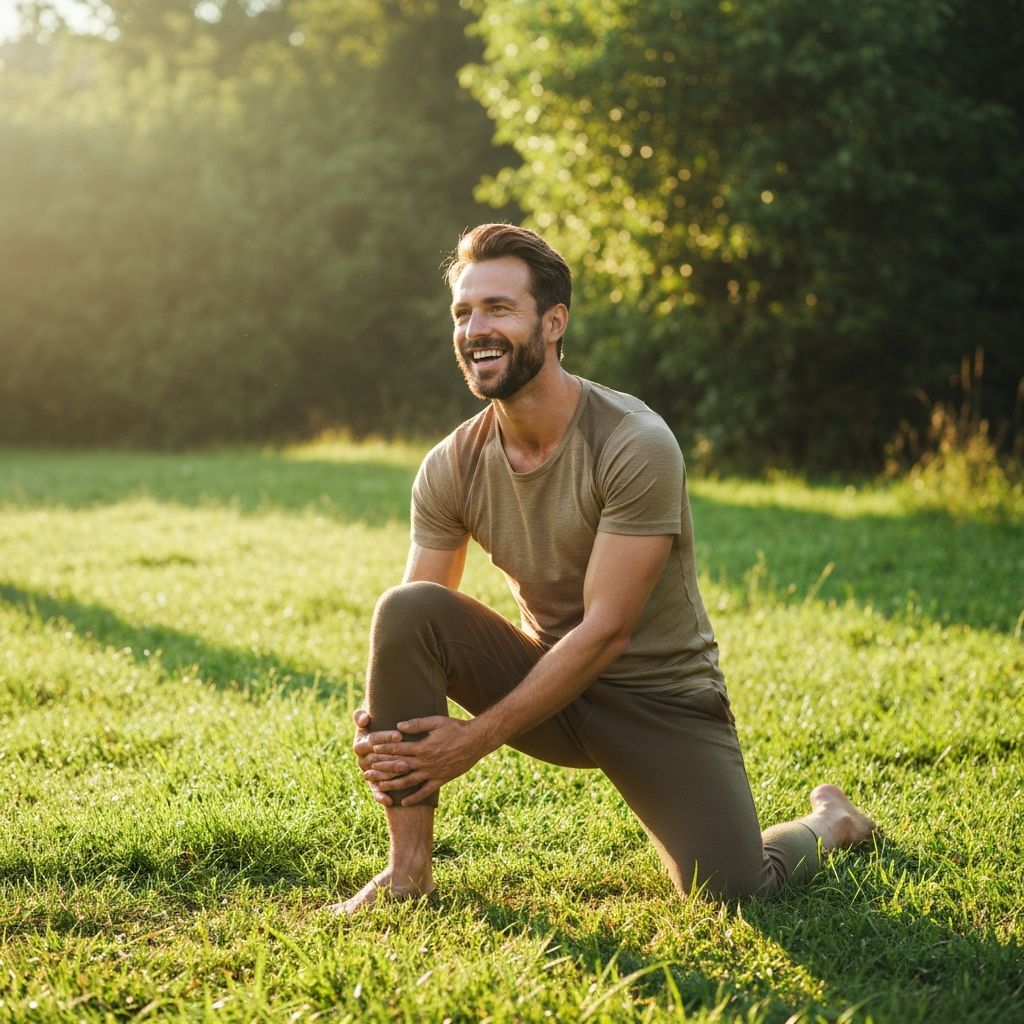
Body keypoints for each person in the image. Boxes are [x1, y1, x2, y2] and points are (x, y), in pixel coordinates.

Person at [331, 223, 875, 914]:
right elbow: (421, 618)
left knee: (732, 891)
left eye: (499, 308)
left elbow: (608, 629)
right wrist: (389, 722)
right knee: (405, 609)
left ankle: (830, 822)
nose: (475, 329)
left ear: (553, 322)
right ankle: (407, 875)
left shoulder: (633, 441)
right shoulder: (452, 464)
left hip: (659, 699)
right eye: (463, 313)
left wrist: (466, 743)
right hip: (547, 683)